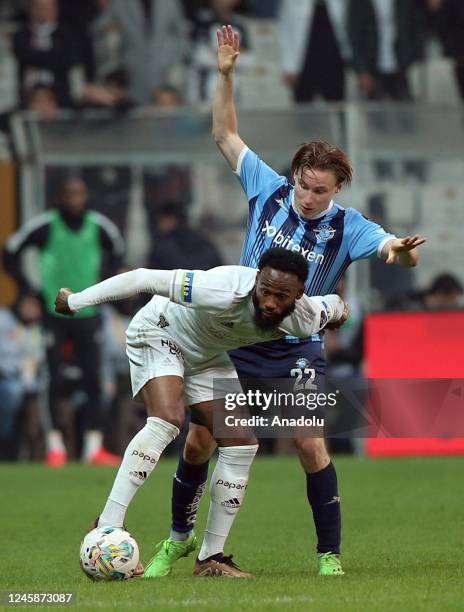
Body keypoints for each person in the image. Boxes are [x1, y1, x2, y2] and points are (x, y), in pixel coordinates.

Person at [146, 25, 426, 579]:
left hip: (294, 347)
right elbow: (225, 135)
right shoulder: (269, 188)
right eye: (302, 183)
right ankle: (179, 539)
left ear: (338, 188)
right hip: (234, 336)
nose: (305, 195)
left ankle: (328, 556)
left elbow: (393, 249)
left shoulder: (351, 227)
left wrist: (401, 250)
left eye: (318, 189)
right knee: (201, 439)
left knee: (309, 442)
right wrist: (225, 75)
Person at [54, 248, 348, 577]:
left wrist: (340, 311)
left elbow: (332, 305)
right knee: (167, 420)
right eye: (265, 291)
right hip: (159, 332)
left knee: (241, 444)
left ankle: (211, 557)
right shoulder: (220, 288)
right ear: (255, 282)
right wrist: (76, 301)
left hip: (206, 357)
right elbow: (142, 278)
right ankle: (107, 525)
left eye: (282, 296)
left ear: (298, 295)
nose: (269, 302)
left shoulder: (304, 318)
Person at [3, 176, 125, 466]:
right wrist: (27, 290)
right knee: (53, 378)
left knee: (94, 378)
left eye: (79, 194)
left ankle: (93, 446)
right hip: (54, 312)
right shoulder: (46, 225)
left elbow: (118, 254)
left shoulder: (99, 226)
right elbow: (10, 251)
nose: (74, 200)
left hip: (89, 312)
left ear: (85, 196)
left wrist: (103, 285)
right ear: (60, 197)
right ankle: (55, 445)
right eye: (69, 194)